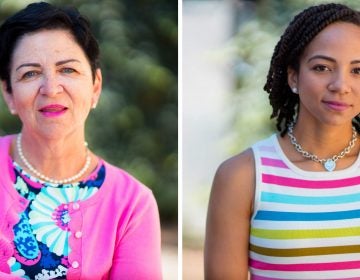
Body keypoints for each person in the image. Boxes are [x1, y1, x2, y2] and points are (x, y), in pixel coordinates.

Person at [0, 2, 162, 279]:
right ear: (10, 95)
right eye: (30, 73)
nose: (51, 88)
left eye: (68, 70)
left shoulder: (132, 204)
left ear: (95, 87)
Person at [205, 2, 360, 279]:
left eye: (357, 71)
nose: (341, 85)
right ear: (293, 77)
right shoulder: (243, 177)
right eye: (322, 67)